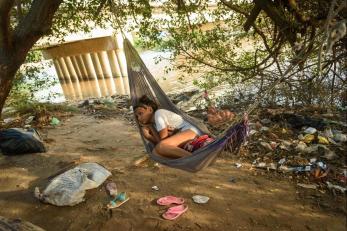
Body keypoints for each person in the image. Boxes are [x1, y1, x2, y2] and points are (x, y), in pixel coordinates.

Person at [134, 95, 202, 159]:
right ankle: (187, 160)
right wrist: (151, 127)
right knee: (155, 153)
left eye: (140, 113)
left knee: (161, 147)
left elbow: (162, 143)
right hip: (182, 134)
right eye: (137, 116)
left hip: (191, 131)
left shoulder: (158, 113)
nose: (139, 118)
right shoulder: (153, 124)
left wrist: (148, 136)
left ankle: (196, 159)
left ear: (150, 109)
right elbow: (159, 144)